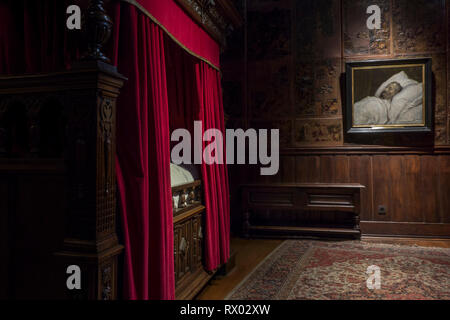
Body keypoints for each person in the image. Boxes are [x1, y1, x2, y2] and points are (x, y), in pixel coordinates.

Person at [353, 71, 423, 126]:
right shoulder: (375, 100)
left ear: (396, 93)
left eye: (390, 88)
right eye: (387, 87)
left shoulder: (391, 106)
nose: (386, 89)